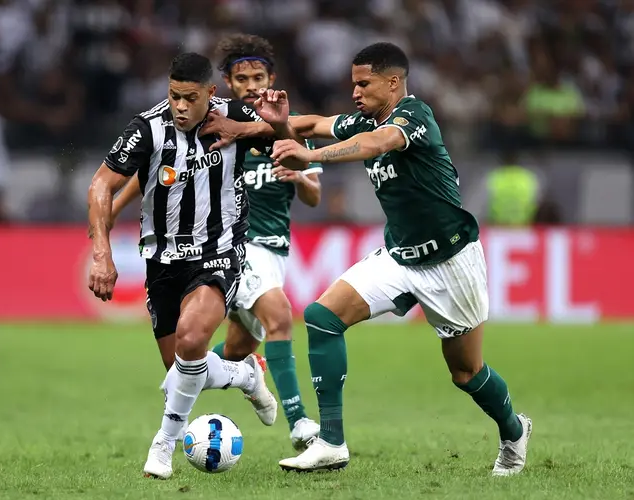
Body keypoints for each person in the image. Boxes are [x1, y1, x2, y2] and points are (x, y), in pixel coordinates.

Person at [206, 42, 533, 477]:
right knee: (322, 317)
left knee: (466, 372)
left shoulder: (414, 117)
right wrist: (267, 126)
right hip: (400, 256)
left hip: (452, 260)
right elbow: (315, 122)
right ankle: (331, 443)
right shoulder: (364, 117)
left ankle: (514, 431)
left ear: (393, 82)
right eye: (353, 84)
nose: (356, 92)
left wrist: (310, 154)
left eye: (364, 83)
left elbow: (374, 144)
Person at [87, 52, 307, 479]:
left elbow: (292, 155)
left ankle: (164, 445)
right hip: (161, 260)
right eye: (174, 97)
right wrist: (102, 252)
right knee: (181, 372)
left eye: (190, 98)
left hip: (219, 251)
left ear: (211, 93)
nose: (181, 107)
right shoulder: (147, 128)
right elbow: (100, 183)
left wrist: (277, 124)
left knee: (191, 343)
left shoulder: (237, 115)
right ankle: (245, 375)